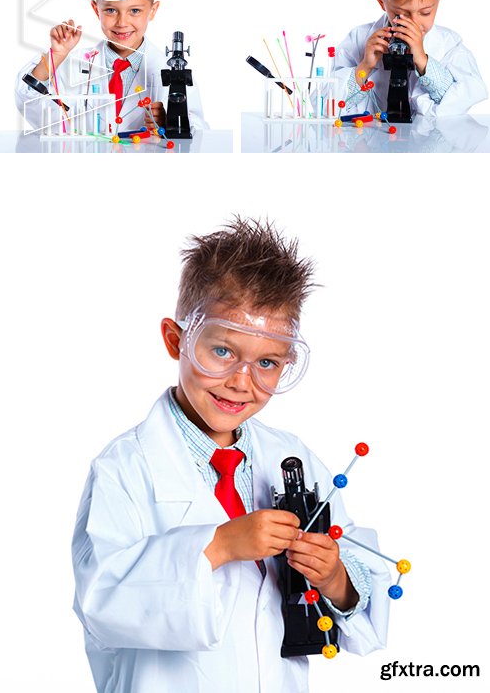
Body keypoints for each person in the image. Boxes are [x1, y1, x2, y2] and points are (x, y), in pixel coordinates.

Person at [72, 217, 391, 693]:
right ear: (177, 340)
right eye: (222, 351)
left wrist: (334, 577)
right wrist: (218, 546)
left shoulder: (292, 457)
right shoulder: (124, 468)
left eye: (267, 363)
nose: (242, 382)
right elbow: (102, 602)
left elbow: (362, 576)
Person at [15, 0, 207, 136]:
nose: (122, 23)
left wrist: (171, 122)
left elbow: (199, 132)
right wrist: (56, 56)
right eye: (111, 10)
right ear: (96, 10)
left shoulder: (174, 73)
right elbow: (27, 99)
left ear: (152, 10)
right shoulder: (74, 64)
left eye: (135, 11)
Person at [333, 0, 487, 119]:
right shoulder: (358, 39)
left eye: (425, 12)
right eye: (401, 14)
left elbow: (465, 97)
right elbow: (329, 103)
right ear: (382, 2)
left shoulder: (450, 45)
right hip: (371, 140)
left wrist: (423, 60)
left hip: (426, 142)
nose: (414, 23)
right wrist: (365, 66)